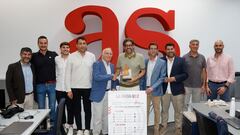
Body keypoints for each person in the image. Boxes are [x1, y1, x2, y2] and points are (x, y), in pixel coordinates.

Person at [65, 36, 96, 135]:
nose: (82, 45)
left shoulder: (92, 56)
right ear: (76, 45)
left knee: (88, 109)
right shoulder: (71, 56)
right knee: (76, 109)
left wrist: (94, 88)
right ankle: (79, 129)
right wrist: (68, 89)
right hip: (75, 88)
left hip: (88, 87)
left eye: (84, 43)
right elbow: (67, 74)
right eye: (80, 43)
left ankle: (87, 129)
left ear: (86, 45)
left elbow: (94, 73)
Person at [160, 43, 188, 135]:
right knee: (164, 111)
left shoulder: (181, 60)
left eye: (171, 49)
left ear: (174, 50)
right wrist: (161, 78)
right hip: (164, 91)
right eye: (168, 49)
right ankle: (164, 127)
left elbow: (185, 74)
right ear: (165, 50)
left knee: (178, 111)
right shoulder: (161, 60)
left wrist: (174, 78)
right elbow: (158, 74)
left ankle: (178, 128)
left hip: (177, 91)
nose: (170, 50)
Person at [140, 42, 166, 135]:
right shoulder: (145, 61)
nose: (153, 50)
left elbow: (162, 78)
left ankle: (156, 129)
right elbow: (142, 76)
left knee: (156, 111)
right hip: (145, 91)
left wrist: (152, 87)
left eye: (155, 48)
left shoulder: (162, 62)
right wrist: (141, 89)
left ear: (157, 50)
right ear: (149, 50)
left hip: (156, 91)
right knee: (144, 111)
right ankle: (144, 130)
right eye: (151, 48)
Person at [31, 35, 58, 125]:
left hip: (52, 85)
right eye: (41, 43)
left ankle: (52, 125)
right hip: (40, 86)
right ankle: (42, 125)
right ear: (38, 44)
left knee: (52, 107)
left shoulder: (53, 54)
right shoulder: (34, 56)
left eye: (45, 43)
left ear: (47, 43)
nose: (43, 45)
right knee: (41, 108)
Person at [90, 48, 116, 135]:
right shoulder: (97, 64)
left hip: (109, 93)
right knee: (97, 117)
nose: (109, 55)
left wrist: (113, 87)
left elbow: (113, 79)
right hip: (98, 94)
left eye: (110, 54)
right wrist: (110, 76)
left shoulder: (112, 66)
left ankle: (105, 132)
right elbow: (96, 77)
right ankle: (96, 133)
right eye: (107, 53)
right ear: (103, 54)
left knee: (106, 116)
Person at [55, 42, 74, 135]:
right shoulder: (56, 59)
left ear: (69, 49)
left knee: (70, 108)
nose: (65, 49)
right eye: (63, 47)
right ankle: (63, 126)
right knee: (61, 109)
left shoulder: (73, 58)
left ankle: (70, 126)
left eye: (67, 47)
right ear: (60, 49)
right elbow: (55, 72)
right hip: (59, 88)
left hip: (69, 89)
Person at [183, 39, 207, 111]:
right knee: (184, 106)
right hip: (186, 86)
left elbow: (204, 72)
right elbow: (182, 72)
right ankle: (185, 122)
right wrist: (182, 86)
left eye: (197, 44)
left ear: (198, 46)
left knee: (196, 107)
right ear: (189, 46)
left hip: (198, 86)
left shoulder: (202, 57)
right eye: (193, 44)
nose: (195, 46)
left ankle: (194, 121)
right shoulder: (184, 57)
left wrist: (203, 85)